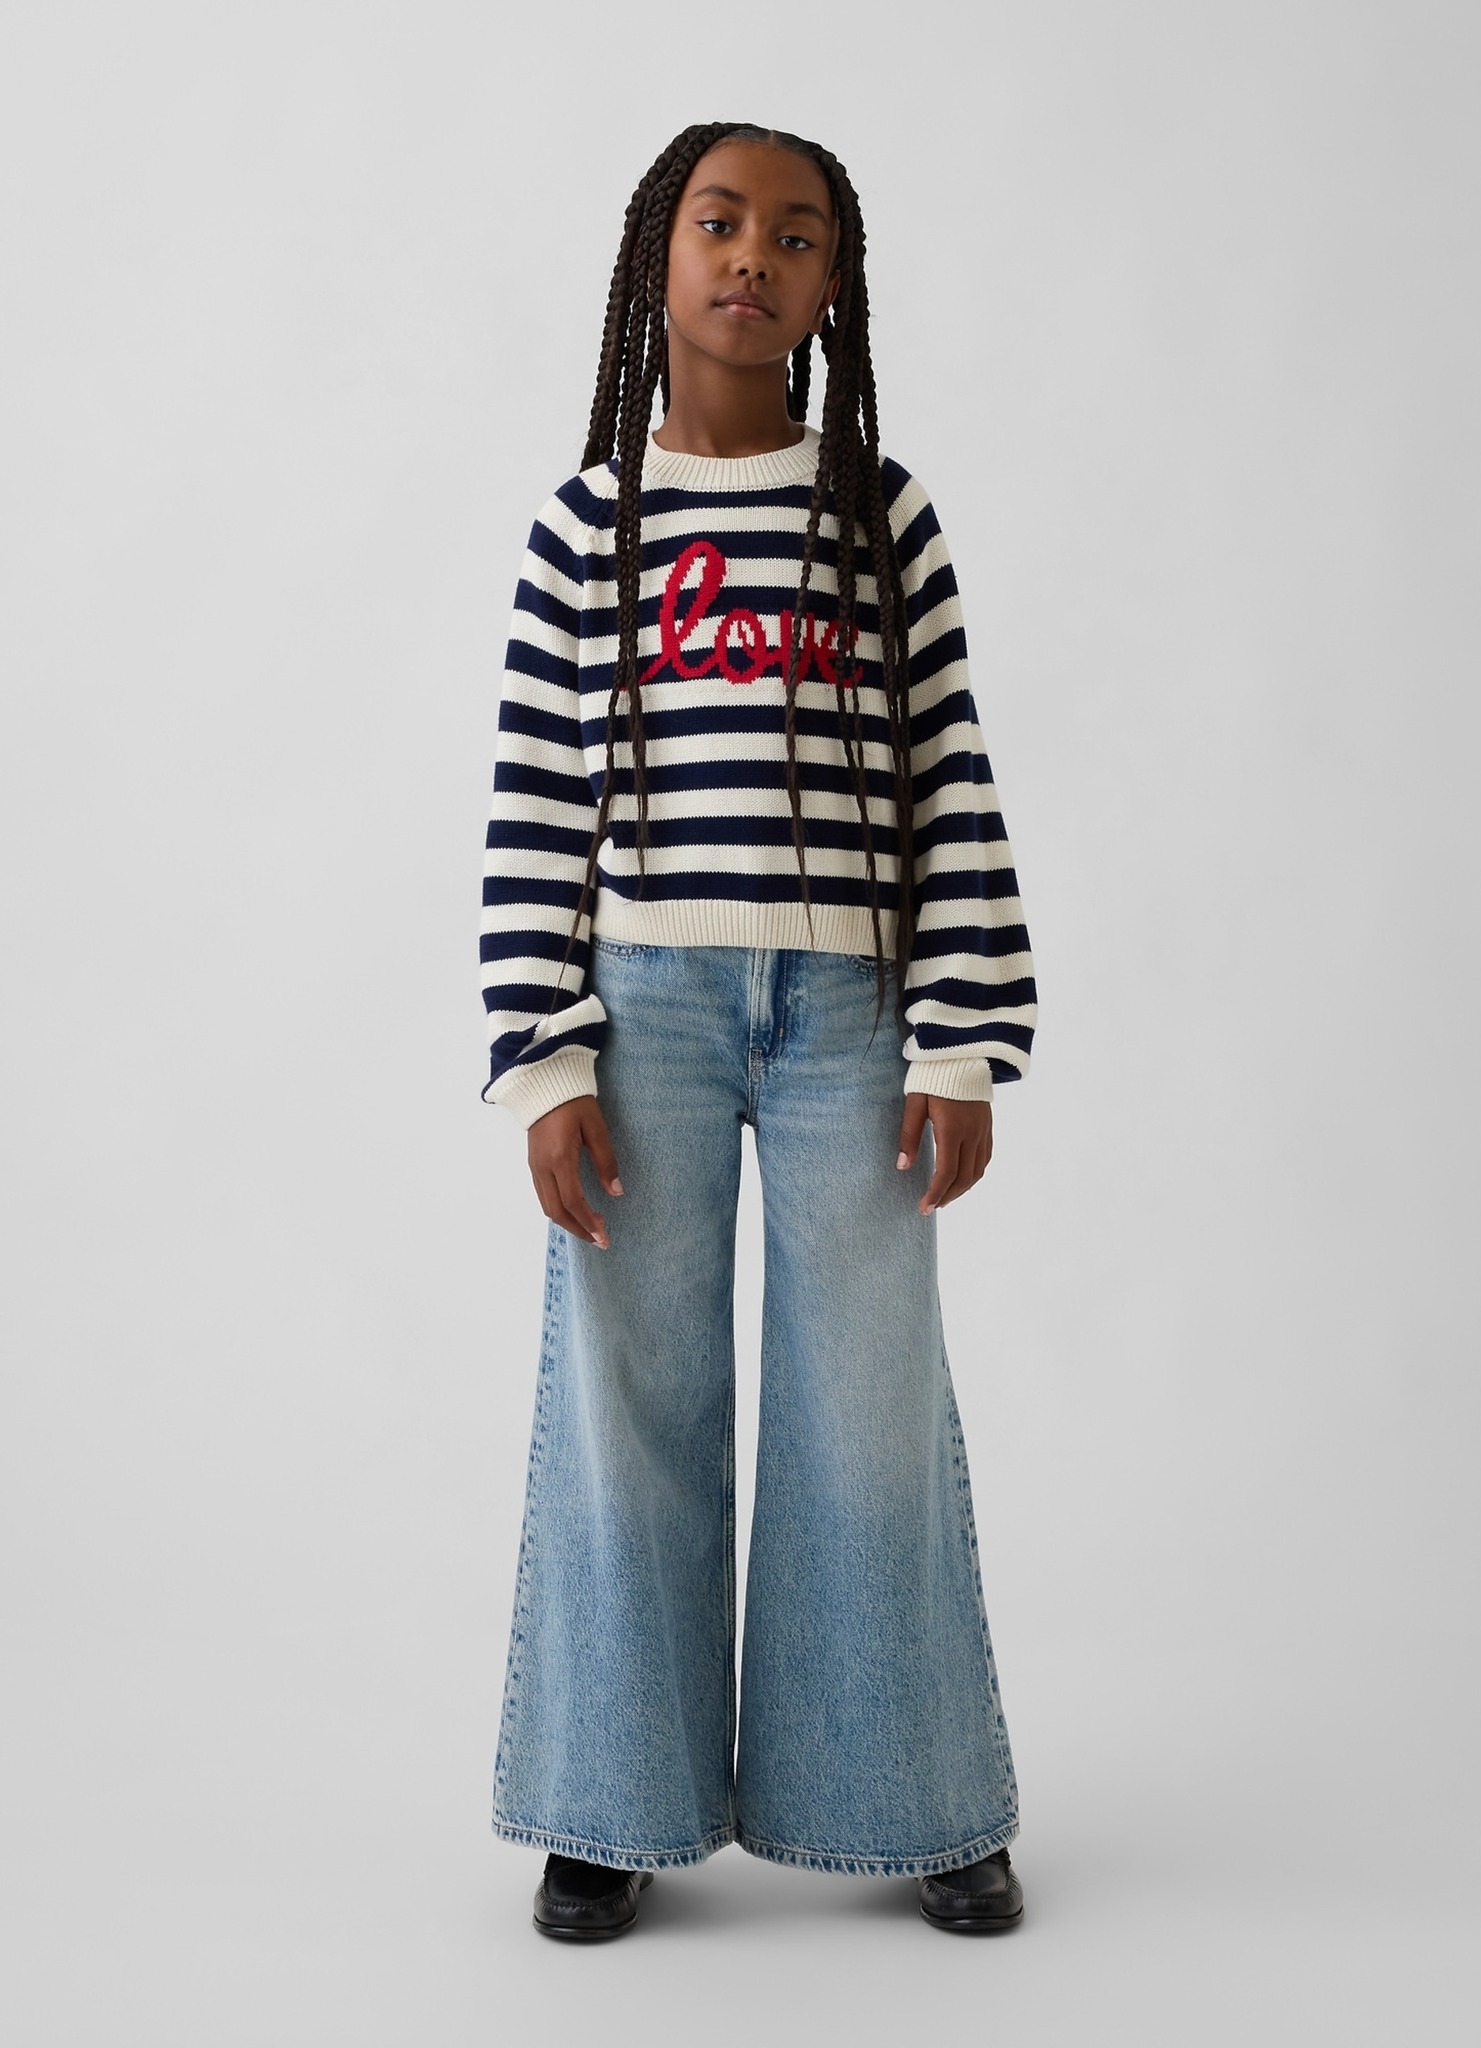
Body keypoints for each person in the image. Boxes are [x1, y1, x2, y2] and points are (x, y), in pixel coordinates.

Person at [477, 121, 1037, 1939]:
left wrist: (958, 1036)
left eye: (796, 237)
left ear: (832, 288)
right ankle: (608, 1801)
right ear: (659, 255)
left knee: (867, 1399)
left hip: (853, 1013)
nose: (753, 258)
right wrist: (545, 1056)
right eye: (720, 223)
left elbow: (948, 775)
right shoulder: (590, 526)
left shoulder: (882, 519)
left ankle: (906, 1792)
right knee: (628, 1396)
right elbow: (535, 800)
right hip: (641, 1008)